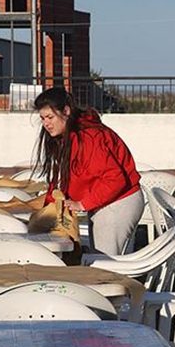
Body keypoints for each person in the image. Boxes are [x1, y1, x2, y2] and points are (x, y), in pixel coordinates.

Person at [33, 87, 144, 255]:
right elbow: (60, 180)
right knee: (101, 260)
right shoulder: (66, 138)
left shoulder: (89, 137)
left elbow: (115, 179)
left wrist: (82, 204)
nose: (46, 123)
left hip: (118, 203)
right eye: (42, 118)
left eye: (50, 117)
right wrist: (49, 209)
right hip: (107, 203)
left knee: (103, 265)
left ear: (66, 111)